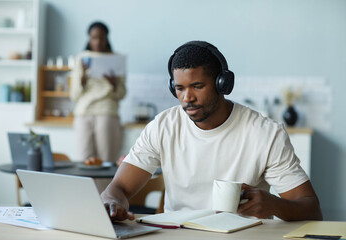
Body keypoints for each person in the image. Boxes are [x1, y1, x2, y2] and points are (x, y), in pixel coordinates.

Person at [101, 41, 322, 221]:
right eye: (180, 88)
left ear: (222, 84)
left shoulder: (265, 134)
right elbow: (118, 188)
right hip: (179, 236)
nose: (187, 98)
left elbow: (311, 210)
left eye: (197, 86)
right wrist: (113, 203)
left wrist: (275, 205)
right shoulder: (163, 126)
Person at [70, 21, 126, 164]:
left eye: (102, 38)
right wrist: (82, 81)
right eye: (94, 38)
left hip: (107, 112)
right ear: (89, 38)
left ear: (107, 38)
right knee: (84, 161)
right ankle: (85, 188)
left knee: (106, 160)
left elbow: (122, 94)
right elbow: (74, 96)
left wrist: (113, 85)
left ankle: (106, 188)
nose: (98, 42)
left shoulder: (116, 59)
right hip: (83, 112)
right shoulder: (81, 59)